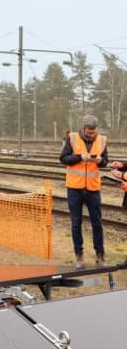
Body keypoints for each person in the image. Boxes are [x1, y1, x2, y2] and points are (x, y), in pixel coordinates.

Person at [59, 115, 109, 268]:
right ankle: (79, 255)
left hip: (93, 188)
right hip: (75, 188)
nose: (92, 135)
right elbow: (63, 158)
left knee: (97, 223)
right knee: (76, 223)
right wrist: (80, 157)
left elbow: (105, 161)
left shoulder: (102, 140)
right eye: (89, 132)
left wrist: (100, 161)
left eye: (94, 132)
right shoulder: (72, 138)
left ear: (97, 129)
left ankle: (100, 256)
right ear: (83, 128)